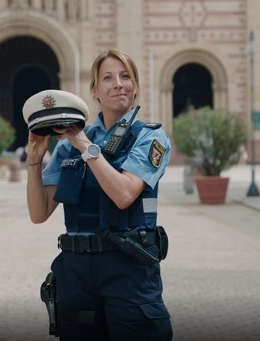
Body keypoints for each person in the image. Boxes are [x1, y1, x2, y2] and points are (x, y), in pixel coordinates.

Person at [25, 48, 173, 340]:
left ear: (135, 86)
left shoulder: (149, 137)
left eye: (125, 76)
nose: (118, 83)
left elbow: (124, 195)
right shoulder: (67, 147)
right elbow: (38, 213)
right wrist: (34, 161)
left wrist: (84, 144)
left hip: (128, 269)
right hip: (76, 274)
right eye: (108, 77)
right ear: (94, 90)